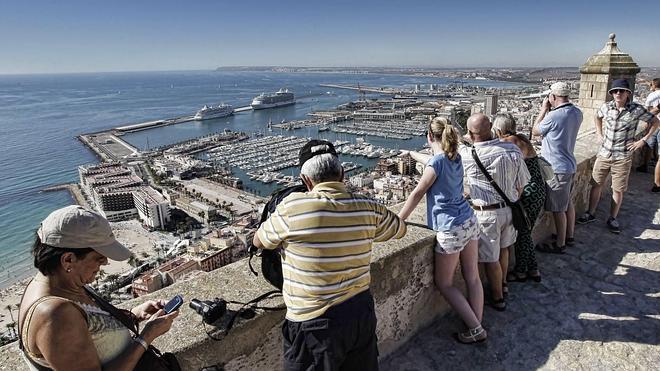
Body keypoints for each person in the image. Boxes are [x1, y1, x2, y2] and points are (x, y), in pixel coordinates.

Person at [253, 139, 406, 371]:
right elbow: (399, 229)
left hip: (314, 323)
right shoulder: (367, 207)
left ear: (305, 180)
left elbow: (259, 240)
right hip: (359, 313)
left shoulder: (292, 208)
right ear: (342, 174)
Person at [18, 205, 178, 371]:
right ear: (68, 260)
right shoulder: (54, 315)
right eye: (99, 258)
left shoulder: (62, 284)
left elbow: (92, 332)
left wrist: (134, 315)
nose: (105, 263)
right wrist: (147, 337)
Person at [398, 117, 485, 344]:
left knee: (444, 284)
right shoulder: (454, 157)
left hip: (450, 228)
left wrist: (398, 219)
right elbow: (432, 160)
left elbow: (417, 193)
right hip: (469, 220)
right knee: (472, 277)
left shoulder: (437, 163)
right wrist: (411, 154)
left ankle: (476, 329)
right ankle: (476, 321)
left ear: (429, 136)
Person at [459, 113, 530, 311]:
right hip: (509, 209)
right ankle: (504, 285)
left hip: (486, 214)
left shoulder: (467, 156)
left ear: (470, 134)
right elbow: (522, 183)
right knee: (504, 249)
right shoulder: (513, 150)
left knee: (490, 259)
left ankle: (497, 298)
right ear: (491, 127)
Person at [577, 79, 660, 233]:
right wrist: (599, 134)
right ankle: (591, 213)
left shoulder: (636, 109)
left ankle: (612, 218)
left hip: (622, 156)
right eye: (615, 91)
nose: (618, 93)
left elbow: (655, 122)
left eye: (621, 91)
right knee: (596, 184)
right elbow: (597, 117)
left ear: (628, 93)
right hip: (604, 153)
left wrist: (643, 140)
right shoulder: (606, 107)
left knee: (618, 189)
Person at [493, 114, 545, 282]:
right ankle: (533, 269)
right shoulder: (521, 138)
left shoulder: (509, 142)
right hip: (537, 189)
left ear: (499, 129)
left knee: (523, 232)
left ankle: (522, 270)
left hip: (527, 192)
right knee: (525, 231)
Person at [532, 82, 582, 253]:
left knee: (558, 209)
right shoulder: (577, 112)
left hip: (556, 168)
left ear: (552, 97)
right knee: (567, 203)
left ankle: (560, 244)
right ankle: (570, 235)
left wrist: (543, 109)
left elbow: (535, 131)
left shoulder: (554, 116)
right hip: (569, 164)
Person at [639, 78, 660, 192]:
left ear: (654, 85)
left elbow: (649, 111)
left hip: (655, 124)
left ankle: (656, 183)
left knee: (649, 145)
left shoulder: (652, 96)